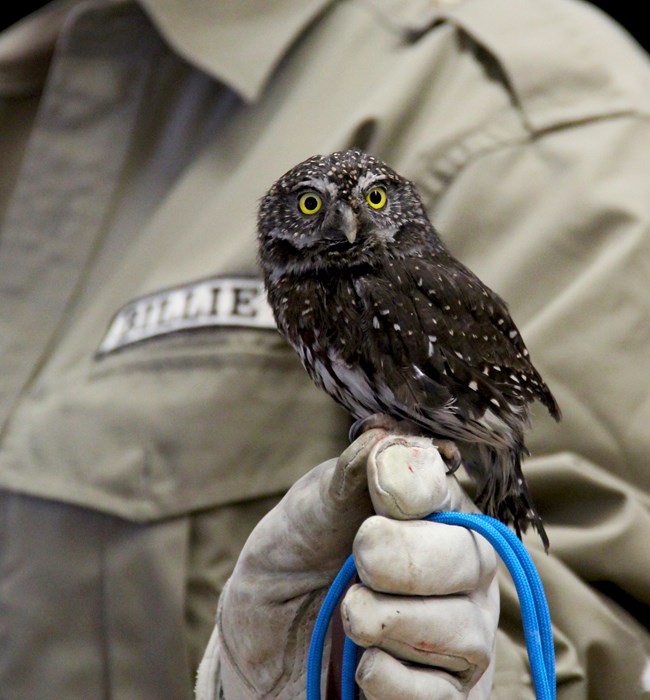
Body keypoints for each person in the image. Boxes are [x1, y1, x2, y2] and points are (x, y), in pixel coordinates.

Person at [1, 0, 649, 698]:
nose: (342, 224)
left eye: (368, 203)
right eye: (312, 208)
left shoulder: (529, 108)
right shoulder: (32, 78)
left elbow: (591, 606)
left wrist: (456, 666)